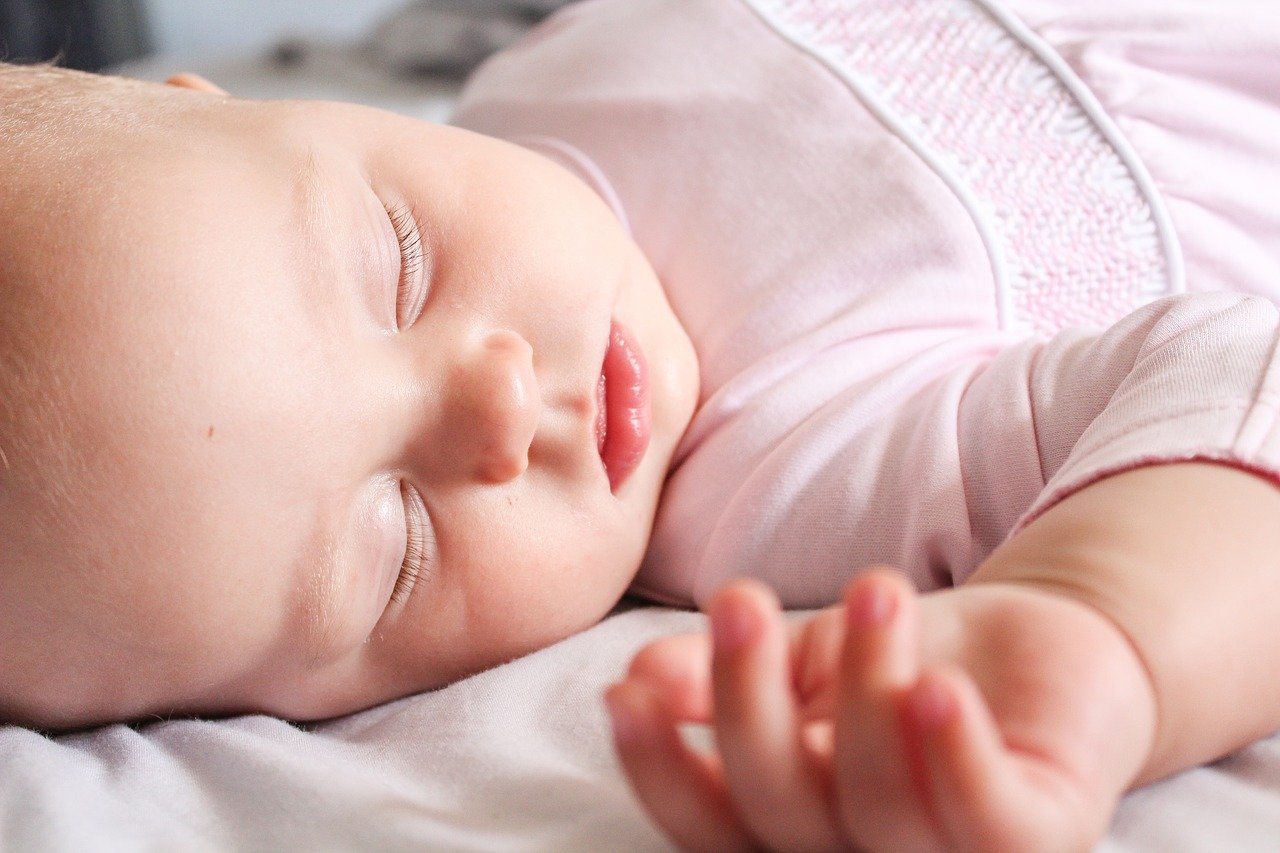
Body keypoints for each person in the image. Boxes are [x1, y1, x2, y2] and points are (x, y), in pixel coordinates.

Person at [0, 0, 1278, 848]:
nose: (497, 408)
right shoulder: (785, 476)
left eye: (398, 261)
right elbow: (1233, 377)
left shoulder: (547, 65)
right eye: (398, 548)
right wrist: (1098, 625)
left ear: (232, 102)